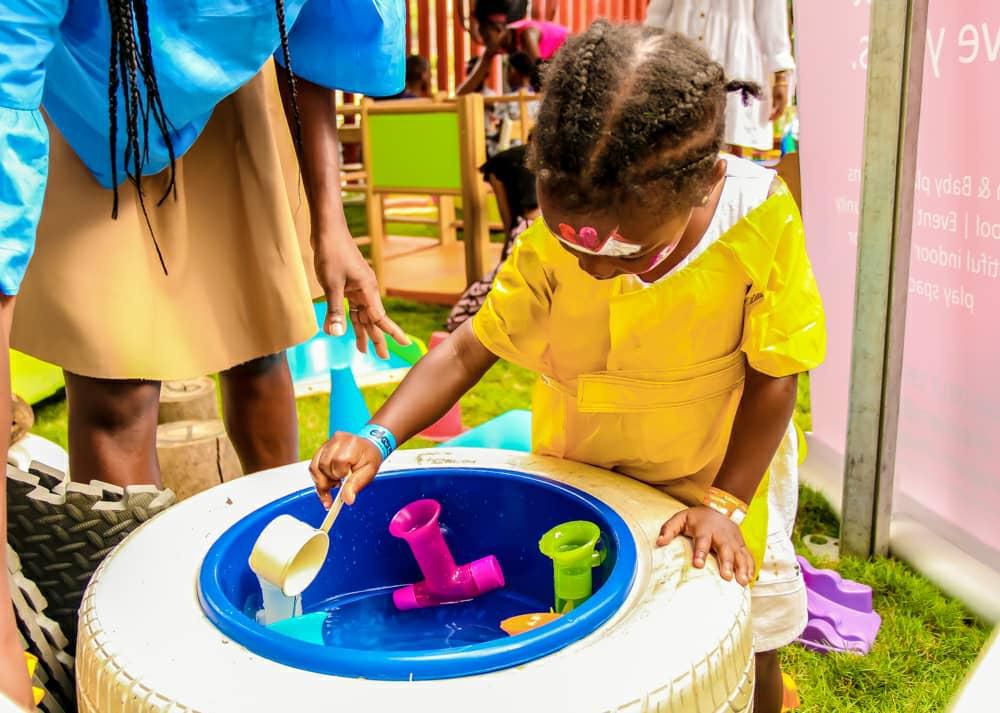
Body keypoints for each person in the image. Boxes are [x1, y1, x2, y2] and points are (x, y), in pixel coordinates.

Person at [310, 22, 825, 713]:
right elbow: (468, 346)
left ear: (705, 182)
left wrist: (725, 505)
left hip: (720, 472)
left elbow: (776, 376)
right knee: (599, 631)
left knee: (748, 627)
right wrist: (378, 436)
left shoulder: (758, 219)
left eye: (629, 252)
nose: (591, 264)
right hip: (588, 466)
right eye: (567, 236)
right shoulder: (558, 240)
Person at [0, 0, 406, 705]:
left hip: (239, 101)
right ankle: (133, 644)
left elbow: (311, 36)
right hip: (87, 85)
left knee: (258, 350)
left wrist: (329, 221)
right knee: (116, 388)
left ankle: (288, 589)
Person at [644, 0, 795, 154]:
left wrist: (781, 75)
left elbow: (772, 17)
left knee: (729, 144)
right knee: (678, 143)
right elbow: (657, 14)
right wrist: (647, 55)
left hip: (733, 63)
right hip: (681, 56)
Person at [446, 142, 539, 331]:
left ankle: (464, 317)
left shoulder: (511, 162)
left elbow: (510, 221)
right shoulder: (512, 162)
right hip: (533, 224)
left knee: (511, 275)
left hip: (532, 224)